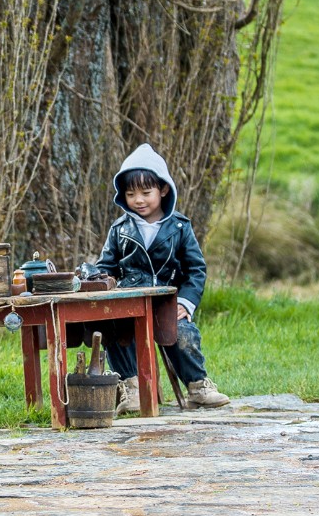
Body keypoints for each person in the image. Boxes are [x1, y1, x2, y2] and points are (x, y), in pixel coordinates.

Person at [78, 143, 229, 411]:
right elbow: (107, 266)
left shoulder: (180, 227)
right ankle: (133, 387)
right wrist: (99, 277)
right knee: (115, 331)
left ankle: (197, 385)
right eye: (131, 193)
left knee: (182, 333)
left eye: (146, 193)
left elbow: (196, 269)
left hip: (165, 303)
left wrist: (185, 302)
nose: (138, 200)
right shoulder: (120, 229)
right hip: (129, 302)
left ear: (163, 190)